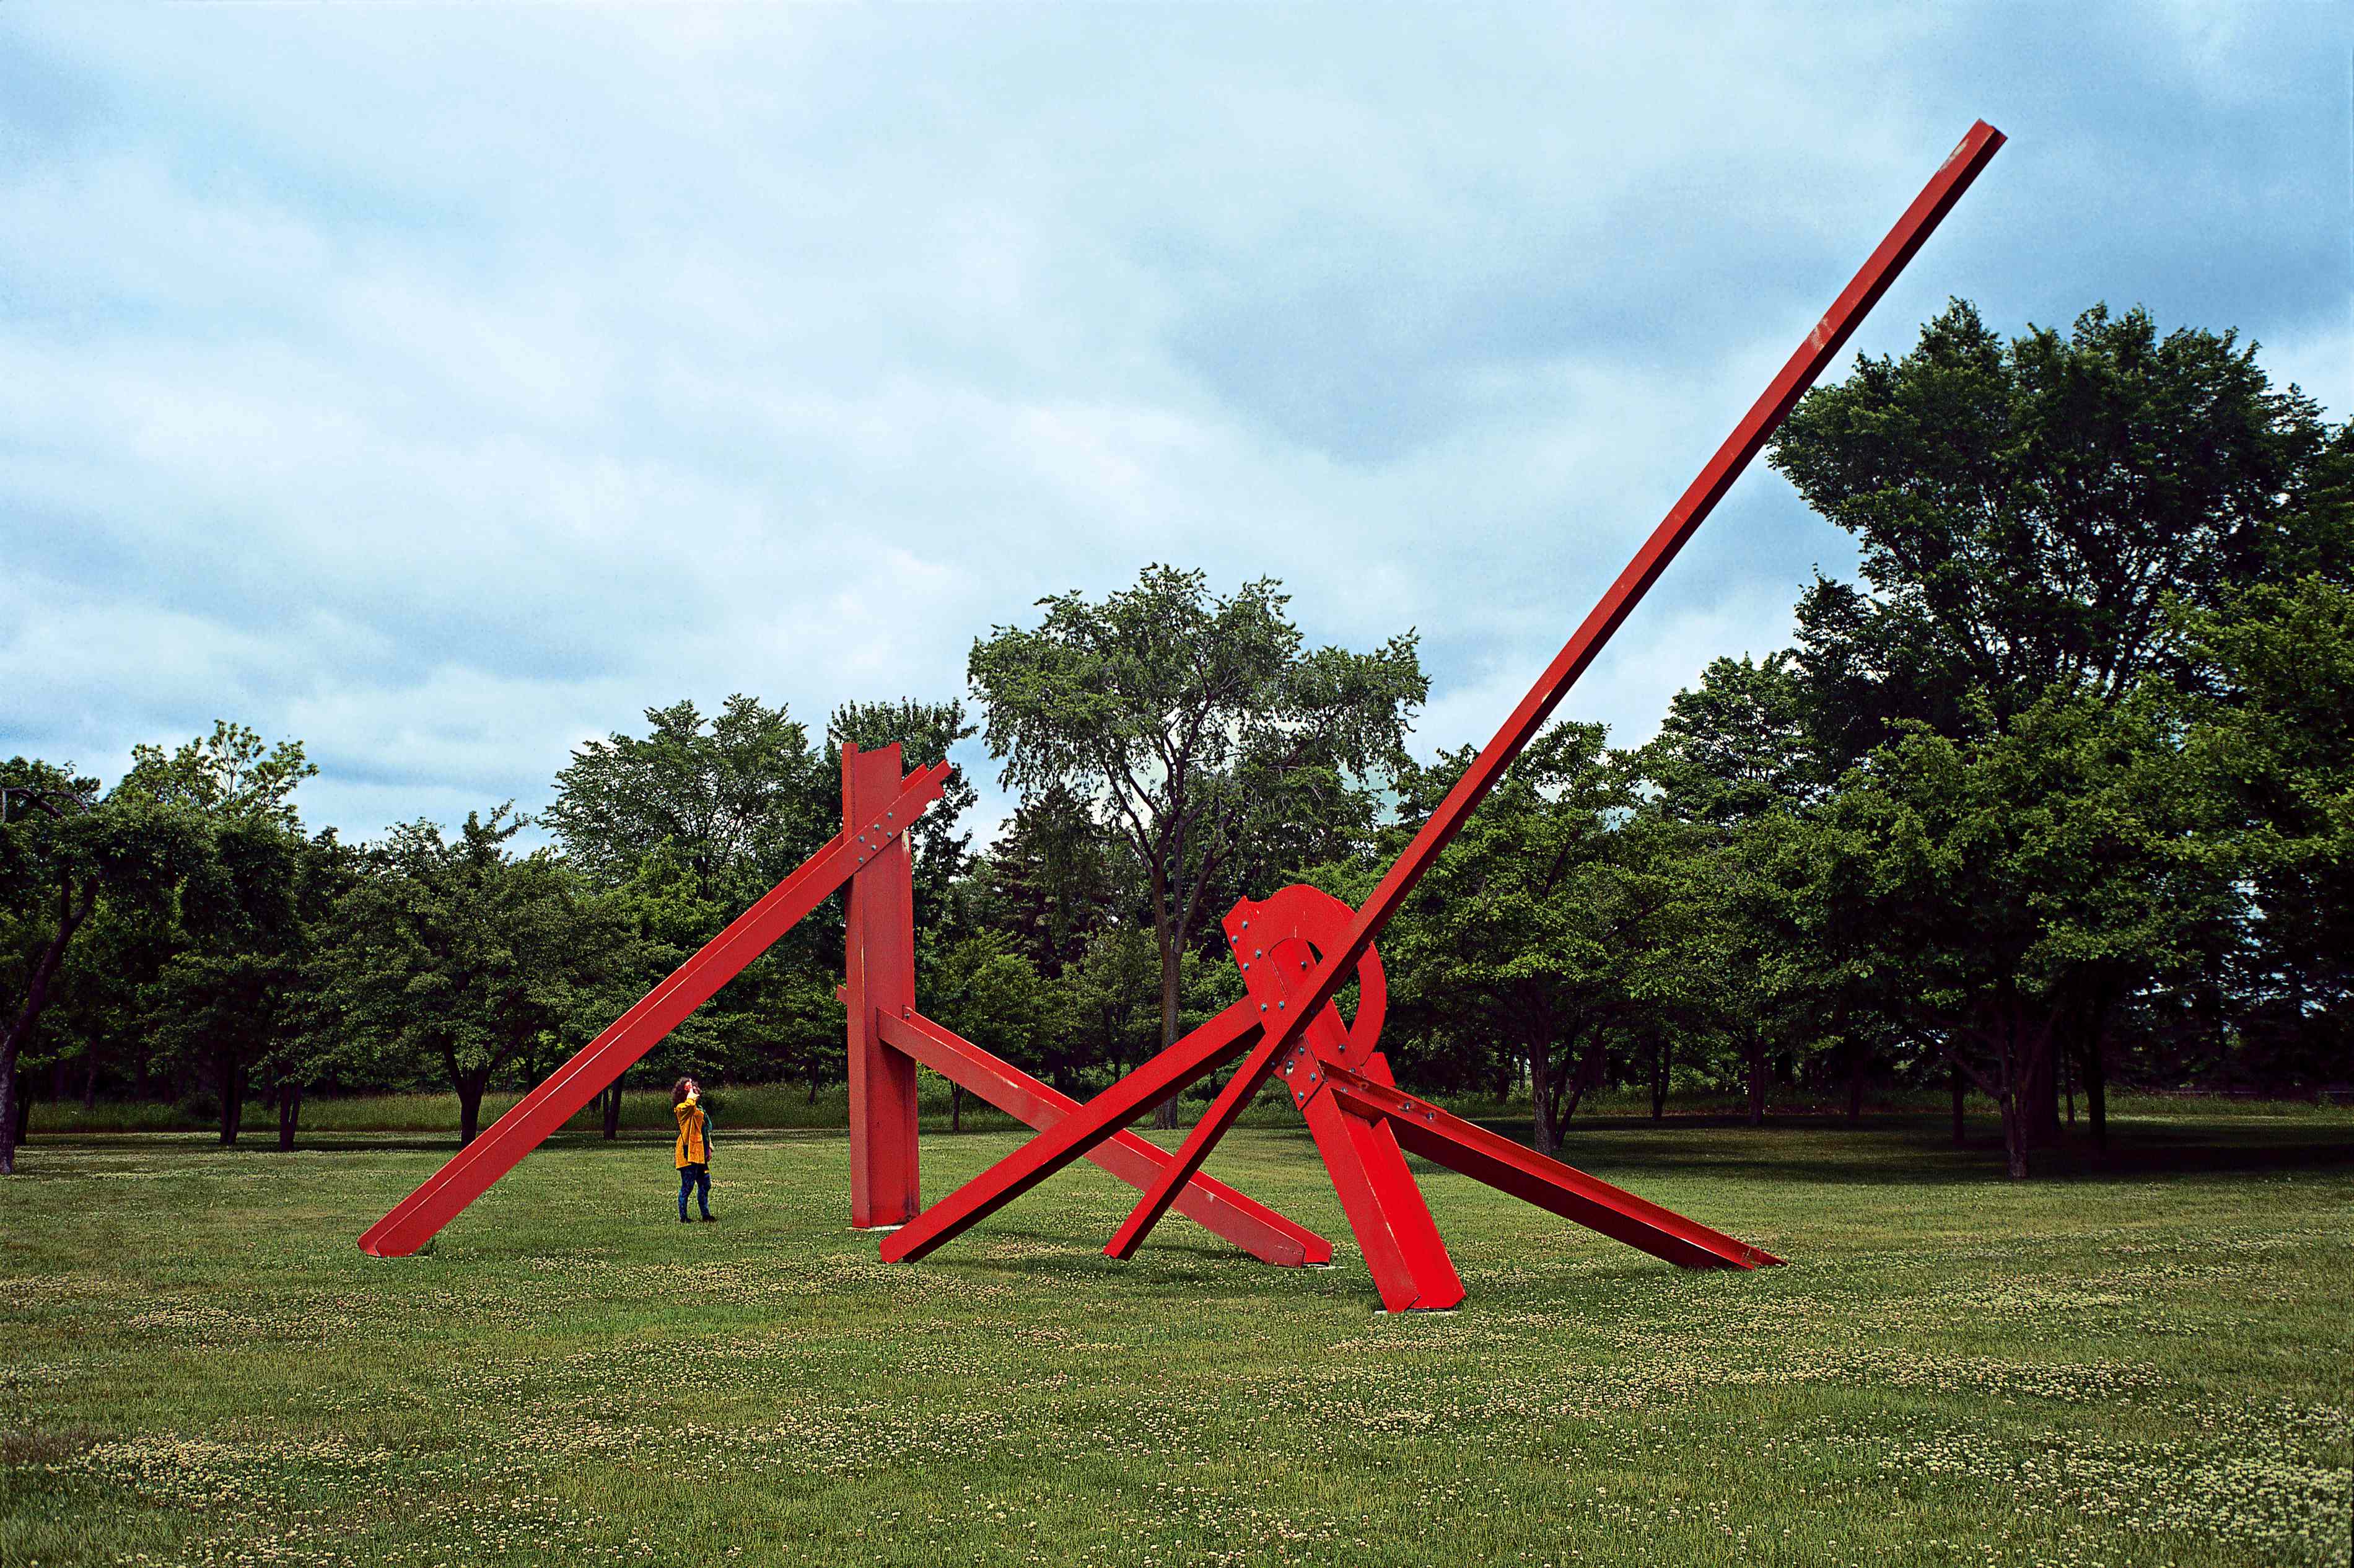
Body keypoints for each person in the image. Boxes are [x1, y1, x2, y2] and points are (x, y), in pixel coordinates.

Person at [672, 1077, 715, 1223]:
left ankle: (706, 1215)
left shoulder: (699, 1109)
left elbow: (704, 1130)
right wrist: (691, 1095)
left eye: (693, 1086)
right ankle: (683, 1217)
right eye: (688, 1087)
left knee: (705, 1184)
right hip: (687, 1153)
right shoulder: (681, 1108)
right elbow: (689, 1106)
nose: (693, 1088)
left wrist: (709, 1147)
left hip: (700, 1153)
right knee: (688, 1186)